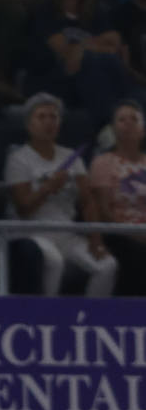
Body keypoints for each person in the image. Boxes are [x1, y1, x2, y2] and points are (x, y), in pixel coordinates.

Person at [4, 91, 117, 297]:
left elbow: (88, 203)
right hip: (32, 232)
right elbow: (23, 209)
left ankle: (89, 321)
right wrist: (48, 187)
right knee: (53, 261)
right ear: (29, 124)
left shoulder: (72, 157)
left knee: (107, 266)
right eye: (41, 117)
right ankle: (48, 320)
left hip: (66, 232)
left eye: (53, 117)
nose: (49, 122)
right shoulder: (18, 159)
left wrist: (96, 240)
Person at [88, 99, 146, 295]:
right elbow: (103, 211)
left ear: (143, 129)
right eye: (122, 120)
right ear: (113, 129)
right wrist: (136, 235)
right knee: (138, 255)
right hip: (118, 231)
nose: (128, 123)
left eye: (134, 119)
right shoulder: (103, 162)